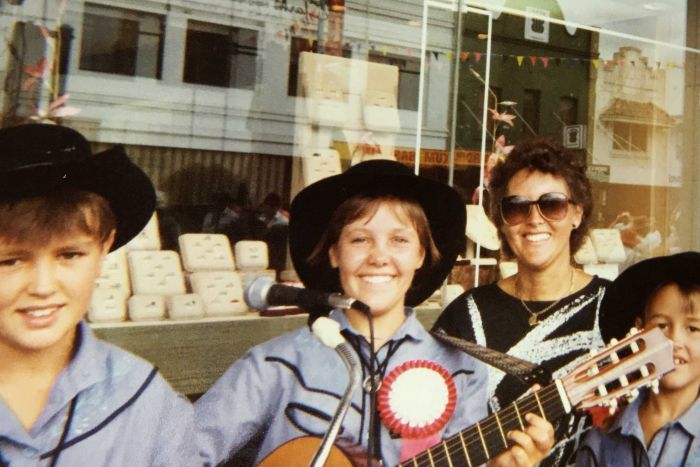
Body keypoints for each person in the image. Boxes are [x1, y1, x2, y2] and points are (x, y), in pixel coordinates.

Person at [195, 160, 554, 466]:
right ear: (334, 253)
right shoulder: (274, 364)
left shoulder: (461, 370)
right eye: (359, 239)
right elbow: (177, 453)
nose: (379, 257)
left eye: (399, 240)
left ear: (421, 255)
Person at [0, 124, 197, 466]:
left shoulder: (145, 402)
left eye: (69, 255)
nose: (43, 287)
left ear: (105, 247)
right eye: (10, 260)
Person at [434, 138, 613, 466]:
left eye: (553, 204)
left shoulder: (615, 308)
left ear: (577, 213)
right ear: (502, 220)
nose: (534, 219)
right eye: (517, 206)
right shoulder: (464, 317)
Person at [576, 252, 700, 466]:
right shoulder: (603, 437)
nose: (674, 341)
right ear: (638, 332)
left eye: (693, 328)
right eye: (661, 325)